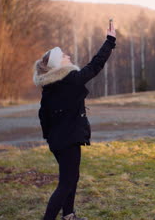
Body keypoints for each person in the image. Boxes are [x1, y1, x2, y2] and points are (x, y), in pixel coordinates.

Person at [33, 20, 116, 220]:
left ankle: (69, 215)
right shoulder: (70, 80)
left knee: (71, 179)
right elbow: (95, 65)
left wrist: (49, 137)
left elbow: (43, 115)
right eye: (63, 56)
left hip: (57, 141)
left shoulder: (50, 86)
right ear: (57, 64)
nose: (68, 56)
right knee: (66, 183)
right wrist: (110, 41)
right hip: (68, 140)